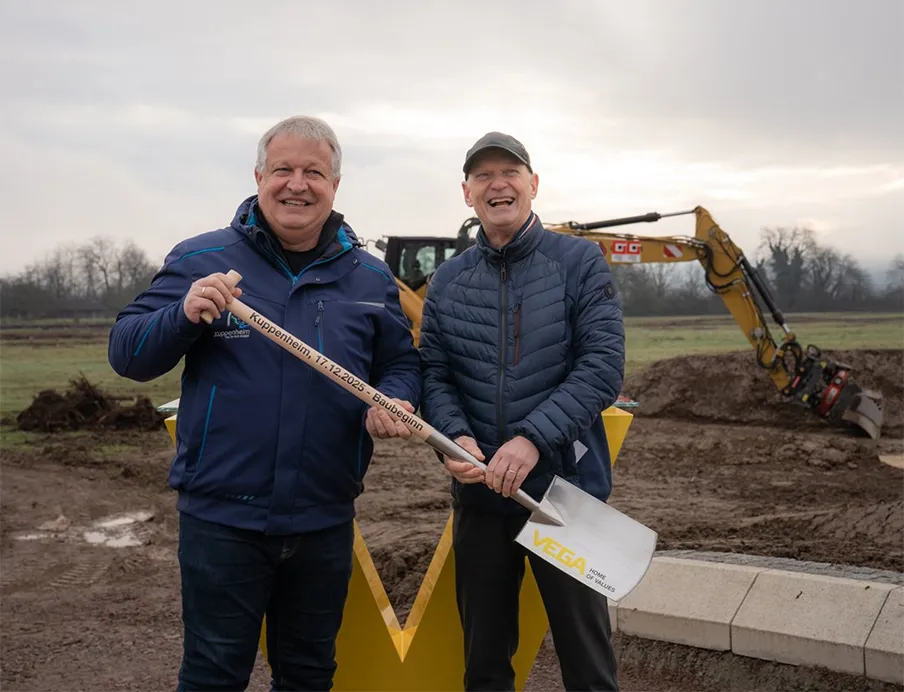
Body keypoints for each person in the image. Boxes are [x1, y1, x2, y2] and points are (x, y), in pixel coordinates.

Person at [108, 115, 421, 691]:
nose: (297, 184)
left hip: (323, 519)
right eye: (283, 170)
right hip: (222, 519)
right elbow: (128, 354)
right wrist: (181, 316)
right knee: (213, 674)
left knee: (307, 675)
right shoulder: (201, 259)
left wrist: (396, 397)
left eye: (313, 172)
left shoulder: (369, 278)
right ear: (258, 177)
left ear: (335, 184)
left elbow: (400, 362)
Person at [419, 132, 625, 691]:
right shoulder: (447, 281)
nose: (497, 184)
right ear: (467, 194)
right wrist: (453, 436)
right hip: (482, 494)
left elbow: (603, 367)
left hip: (567, 493)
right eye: (482, 176)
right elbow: (434, 375)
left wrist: (533, 438)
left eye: (509, 172)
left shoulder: (579, 261)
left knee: (587, 664)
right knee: (484, 664)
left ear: (533, 184)